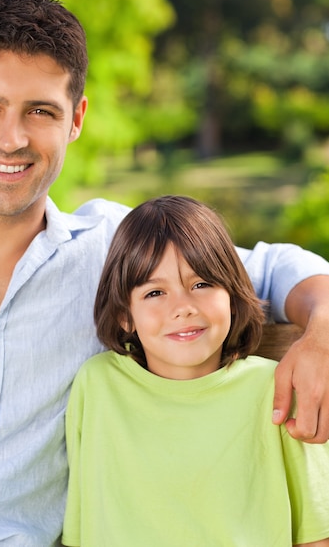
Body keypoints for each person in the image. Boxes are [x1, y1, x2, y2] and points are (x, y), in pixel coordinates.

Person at [0, 0, 329, 546]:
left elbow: (273, 269)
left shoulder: (115, 252)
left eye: (41, 111)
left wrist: (323, 330)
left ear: (77, 118)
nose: (11, 139)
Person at [62, 195, 329, 547]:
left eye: (201, 284)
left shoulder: (275, 391)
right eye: (155, 292)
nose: (183, 308)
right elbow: (84, 524)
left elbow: (315, 533)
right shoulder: (96, 385)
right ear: (125, 314)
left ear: (233, 295)